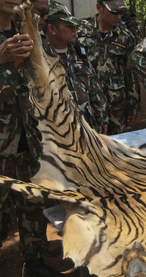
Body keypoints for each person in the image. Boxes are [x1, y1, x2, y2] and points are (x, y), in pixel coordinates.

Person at [0, 0, 64, 276]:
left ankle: (34, 262)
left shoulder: (26, 30)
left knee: (32, 204)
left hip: (30, 136)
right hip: (2, 144)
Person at [44, 1, 109, 134]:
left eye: (75, 26)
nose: (75, 30)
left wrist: (101, 116)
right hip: (60, 132)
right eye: (69, 26)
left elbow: (94, 86)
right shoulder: (42, 58)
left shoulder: (78, 52)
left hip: (87, 126)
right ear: (52, 29)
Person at [78, 0, 139, 135]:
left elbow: (131, 73)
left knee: (118, 145)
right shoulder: (80, 31)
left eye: (121, 12)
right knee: (91, 145)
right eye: (114, 12)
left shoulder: (125, 37)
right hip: (88, 103)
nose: (118, 16)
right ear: (99, 8)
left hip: (116, 104)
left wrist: (133, 106)